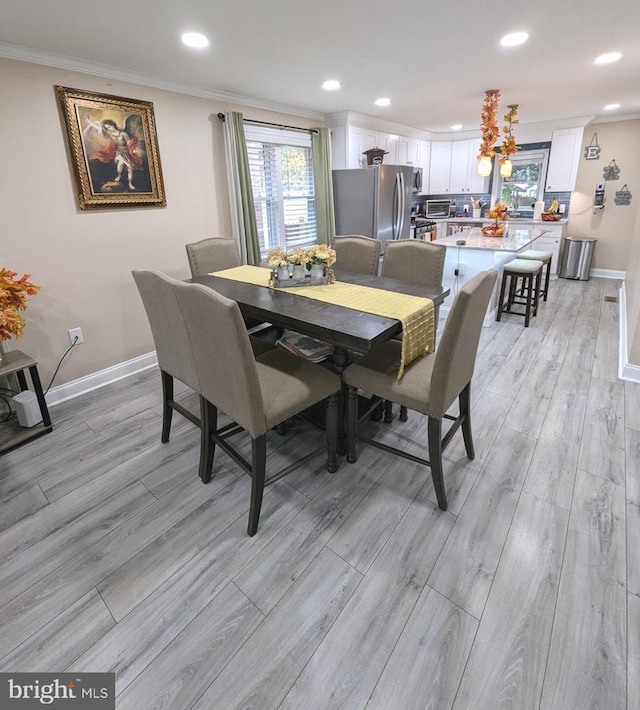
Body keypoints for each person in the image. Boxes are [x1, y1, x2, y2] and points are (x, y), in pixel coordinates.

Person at [85, 117, 144, 191]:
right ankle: (120, 177)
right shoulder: (111, 134)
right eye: (107, 128)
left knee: (127, 168)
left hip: (126, 153)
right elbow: (98, 127)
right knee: (124, 165)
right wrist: (89, 121)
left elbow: (129, 143)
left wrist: (133, 149)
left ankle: (129, 183)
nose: (109, 129)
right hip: (119, 153)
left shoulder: (123, 133)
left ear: (113, 125)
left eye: (109, 127)